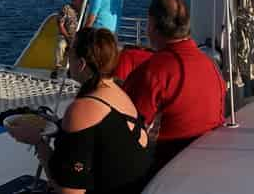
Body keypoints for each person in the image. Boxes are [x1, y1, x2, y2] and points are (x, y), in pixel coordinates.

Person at [8, 28, 152, 194]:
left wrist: (37, 141)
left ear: (81, 64)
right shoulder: (119, 91)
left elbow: (68, 191)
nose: (67, 55)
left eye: (70, 50)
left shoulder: (84, 108)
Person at [123, 0, 225, 179]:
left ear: (152, 25)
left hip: (165, 171)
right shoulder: (210, 65)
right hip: (209, 164)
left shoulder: (152, 72)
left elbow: (124, 133)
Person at [52, 0, 85, 79]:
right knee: (61, 45)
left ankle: (73, 70)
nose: (83, 1)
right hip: (65, 35)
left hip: (78, 37)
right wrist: (68, 38)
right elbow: (60, 25)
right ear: (74, 0)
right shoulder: (66, 8)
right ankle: (56, 69)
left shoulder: (85, 10)